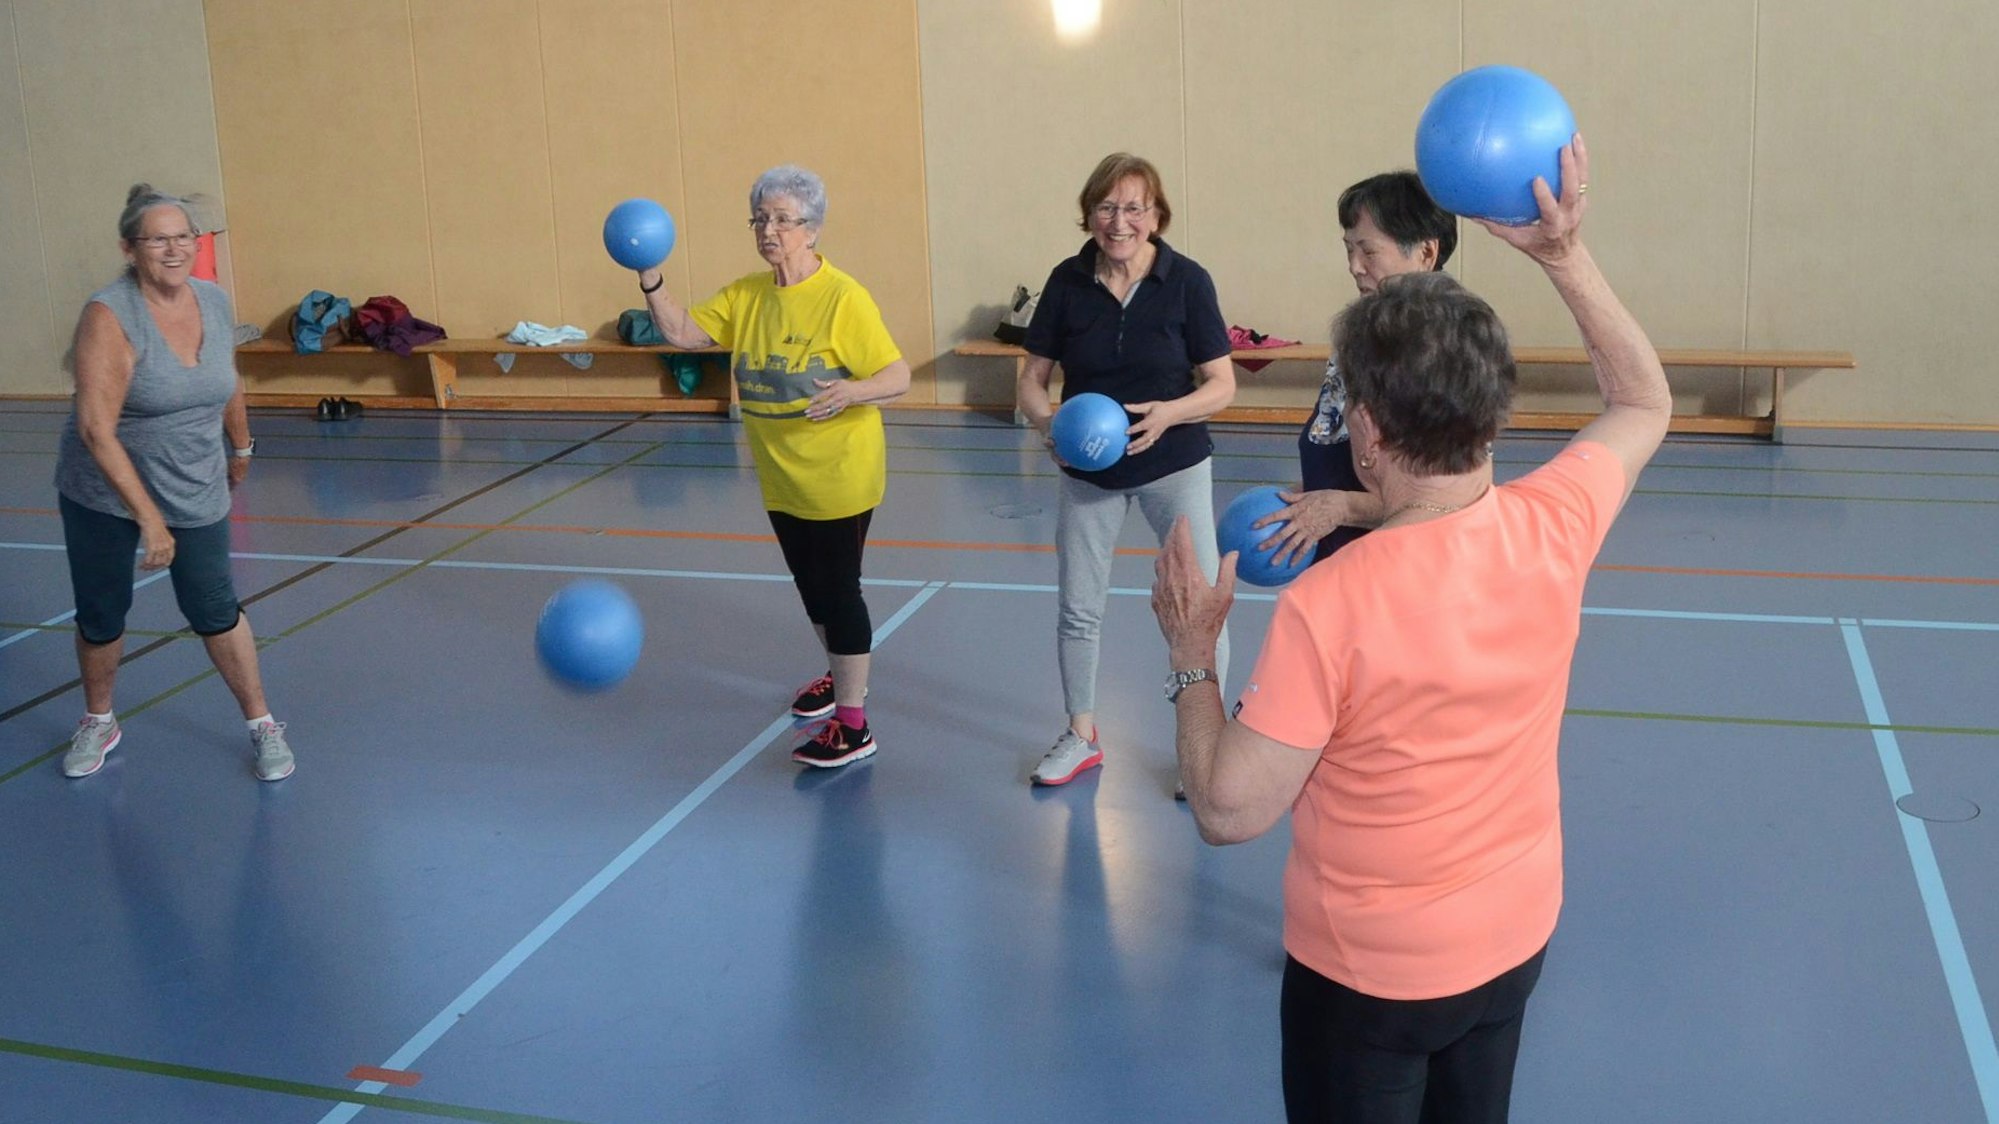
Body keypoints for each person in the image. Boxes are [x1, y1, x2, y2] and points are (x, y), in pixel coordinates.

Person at [1153, 139, 1671, 1121]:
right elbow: (1643, 399)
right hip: (1515, 942)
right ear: (1493, 413)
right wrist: (1563, 255)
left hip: (1369, 980)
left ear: (1373, 434)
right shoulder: (1554, 522)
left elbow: (1227, 810)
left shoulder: (1330, 602)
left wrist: (1190, 660)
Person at [637, 164, 911, 768]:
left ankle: (853, 724)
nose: (769, 230)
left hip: (840, 473)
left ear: (812, 230)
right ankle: (838, 677)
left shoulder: (843, 297)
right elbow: (684, 332)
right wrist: (650, 276)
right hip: (780, 476)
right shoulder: (748, 295)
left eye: (783, 220)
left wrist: (850, 392)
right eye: (761, 218)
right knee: (812, 593)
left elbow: (898, 375)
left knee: (839, 595)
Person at [55, 184, 294, 782]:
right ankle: (99, 719)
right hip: (105, 489)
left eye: (183, 236)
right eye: (157, 238)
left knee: (214, 606)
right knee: (103, 611)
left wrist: (240, 446)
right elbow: (95, 429)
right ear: (130, 248)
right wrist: (150, 521)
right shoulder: (109, 315)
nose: (172, 249)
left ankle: (261, 723)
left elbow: (228, 379)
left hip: (193, 478)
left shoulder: (211, 301)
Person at [1016, 152, 1238, 789]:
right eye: (1107, 207)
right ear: (1088, 215)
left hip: (1175, 461)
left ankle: (1209, 744)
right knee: (1078, 608)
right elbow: (1031, 380)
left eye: (1134, 208)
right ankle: (1081, 734)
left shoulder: (1187, 281)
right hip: (1088, 471)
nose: (1120, 221)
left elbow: (1220, 385)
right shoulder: (1066, 281)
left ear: (1157, 216)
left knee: (1198, 607)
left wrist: (1170, 414)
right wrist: (1047, 427)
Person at [1254, 170, 1458, 567]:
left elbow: (1447, 500)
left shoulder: (1445, 350)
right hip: (1341, 562)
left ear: (1426, 253)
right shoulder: (1367, 327)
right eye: (1349, 249)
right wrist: (1314, 493)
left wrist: (1343, 507)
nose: (1354, 266)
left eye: (1369, 251)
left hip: (1400, 570)